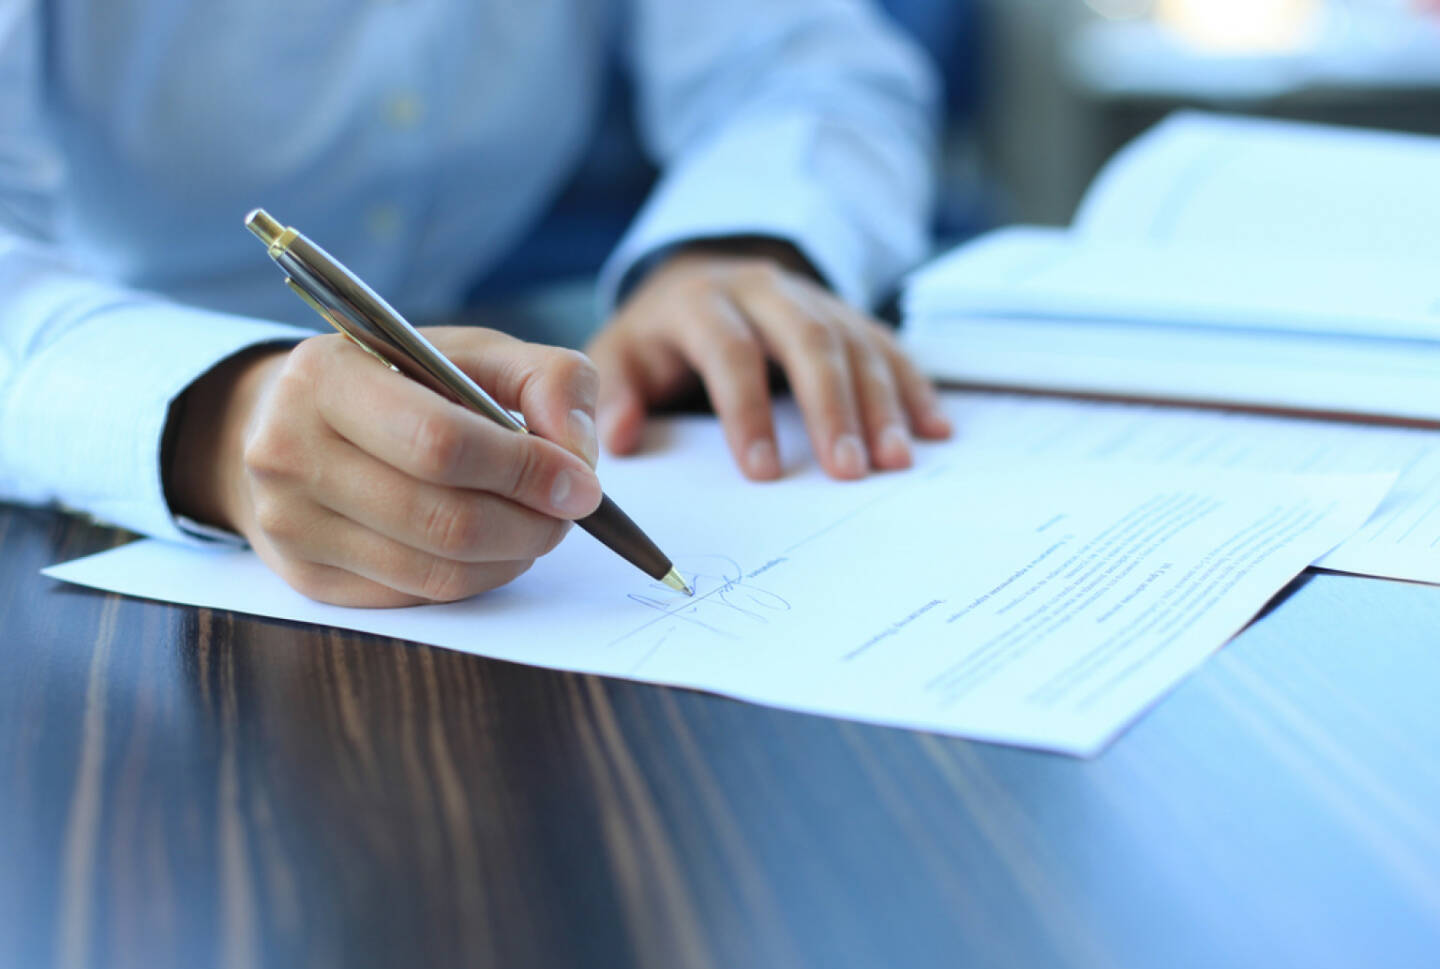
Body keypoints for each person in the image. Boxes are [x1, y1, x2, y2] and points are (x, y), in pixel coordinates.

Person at [0, 0, 951, 606]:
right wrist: (213, 417)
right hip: (91, 418)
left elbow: (799, 61)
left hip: (495, 350)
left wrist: (735, 241)